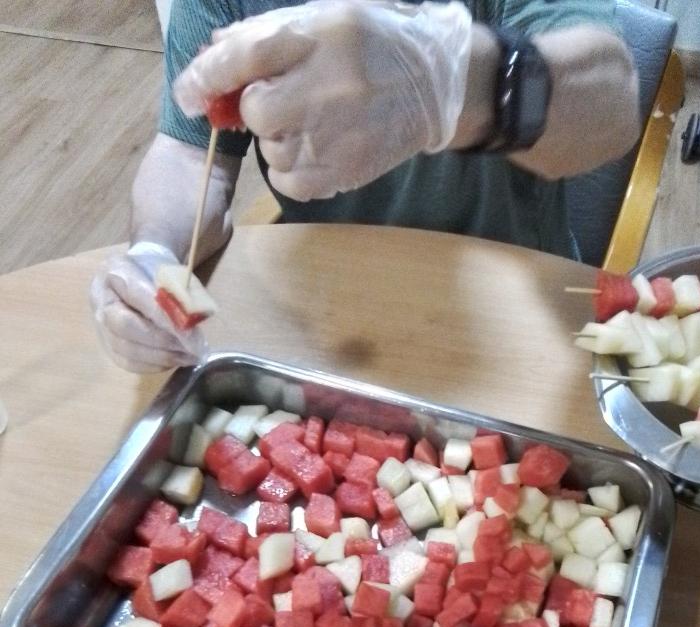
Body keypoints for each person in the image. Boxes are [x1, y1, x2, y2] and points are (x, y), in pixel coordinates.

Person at [91, 0, 640, 373]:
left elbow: (613, 104)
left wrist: (460, 80)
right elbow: (192, 158)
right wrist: (153, 255)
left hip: (514, 323)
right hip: (331, 327)